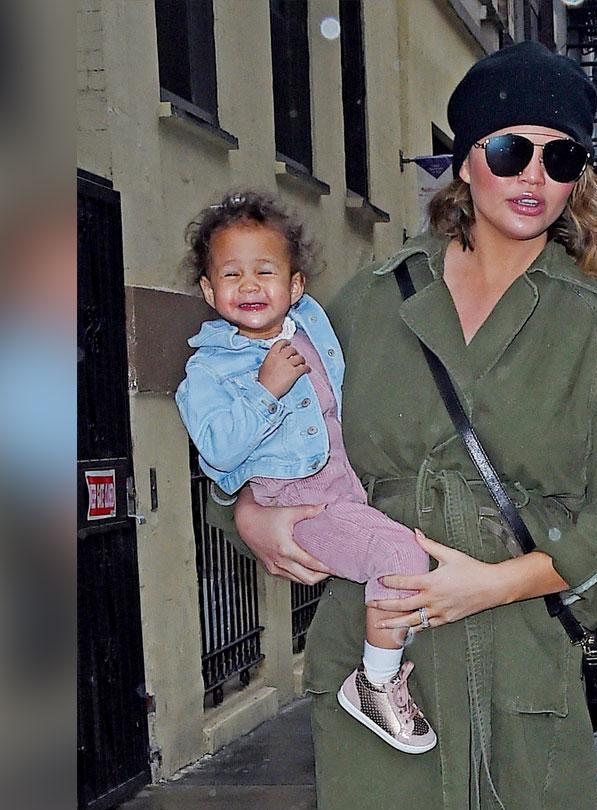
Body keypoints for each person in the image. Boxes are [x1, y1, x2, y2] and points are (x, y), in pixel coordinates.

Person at [220, 41, 597, 810]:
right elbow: (263, 420)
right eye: (509, 150)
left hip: (524, 657)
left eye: (559, 155)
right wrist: (253, 512)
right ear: (465, 163)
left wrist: (497, 583)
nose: (533, 174)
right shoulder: (369, 304)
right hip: (380, 667)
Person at [176, 191, 436, 754]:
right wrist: (264, 391)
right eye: (231, 274)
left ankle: (387, 651)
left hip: (345, 487)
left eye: (264, 271)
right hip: (298, 502)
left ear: (295, 287)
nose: (248, 286)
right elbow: (218, 453)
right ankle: (375, 682)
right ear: (207, 290)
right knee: (401, 559)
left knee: (405, 566)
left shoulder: (311, 323)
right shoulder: (209, 370)